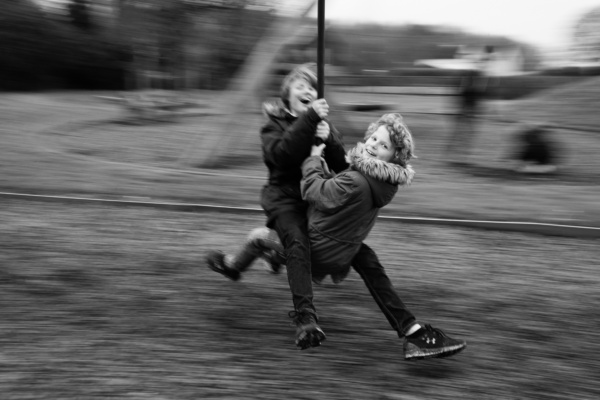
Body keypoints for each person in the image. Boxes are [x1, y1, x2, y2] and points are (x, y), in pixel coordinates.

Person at [208, 113, 467, 360]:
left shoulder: (356, 180)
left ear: (394, 157)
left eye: (384, 144)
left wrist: (313, 158)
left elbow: (314, 191)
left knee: (259, 235)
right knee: (368, 259)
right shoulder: (383, 183)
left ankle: (232, 266)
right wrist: (328, 147)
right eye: (374, 138)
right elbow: (341, 191)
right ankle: (413, 332)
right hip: (345, 251)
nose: (374, 144)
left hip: (314, 250)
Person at [207, 63, 348, 349]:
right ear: (287, 95)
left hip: (314, 197)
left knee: (314, 243)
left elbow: (341, 167)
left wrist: (329, 136)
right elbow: (282, 156)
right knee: (297, 241)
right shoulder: (273, 125)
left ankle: (256, 251)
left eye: (312, 87)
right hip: (283, 199)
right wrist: (309, 120)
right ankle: (305, 319)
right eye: (300, 86)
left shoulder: (321, 125)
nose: (307, 90)